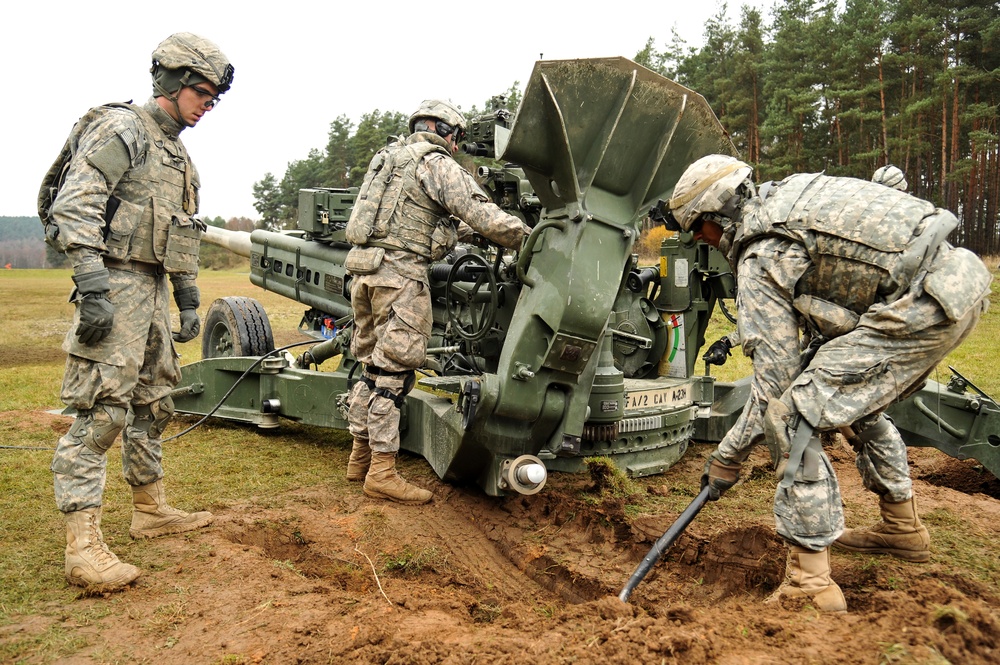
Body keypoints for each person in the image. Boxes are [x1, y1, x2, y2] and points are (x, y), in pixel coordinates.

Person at [664, 154, 991, 612]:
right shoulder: (793, 196)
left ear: (719, 213)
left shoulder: (761, 252)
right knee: (855, 404)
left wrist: (728, 455)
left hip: (919, 308)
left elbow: (773, 388)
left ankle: (810, 585)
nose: (698, 238)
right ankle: (902, 528)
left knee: (793, 417)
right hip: (957, 285)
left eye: (697, 227)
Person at [40, 33, 234, 591]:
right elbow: (76, 202)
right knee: (103, 412)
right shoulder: (123, 127)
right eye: (202, 91)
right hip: (116, 285)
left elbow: (181, 232)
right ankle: (82, 547)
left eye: (214, 97)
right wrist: (93, 285)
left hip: (150, 290)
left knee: (154, 401)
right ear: (172, 82)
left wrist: (189, 296)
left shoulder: (178, 153)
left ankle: (150, 509)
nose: (207, 105)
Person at [343, 99, 531, 505]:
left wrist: (461, 233)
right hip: (400, 280)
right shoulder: (437, 162)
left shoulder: (388, 159)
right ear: (451, 134)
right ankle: (382, 473)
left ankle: (359, 459)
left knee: (370, 370)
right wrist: (531, 238)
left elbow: (412, 218)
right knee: (394, 378)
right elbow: (485, 216)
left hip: (364, 275)